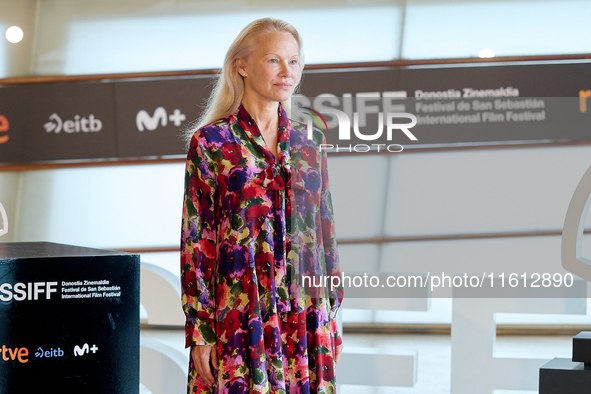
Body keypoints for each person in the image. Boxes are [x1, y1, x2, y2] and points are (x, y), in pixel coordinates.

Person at [180, 17, 343, 394]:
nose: (288, 72)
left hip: (306, 316)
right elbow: (196, 240)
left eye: (295, 61)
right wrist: (201, 327)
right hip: (240, 314)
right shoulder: (212, 142)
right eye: (274, 60)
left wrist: (332, 315)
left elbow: (325, 234)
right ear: (241, 65)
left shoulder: (308, 143)